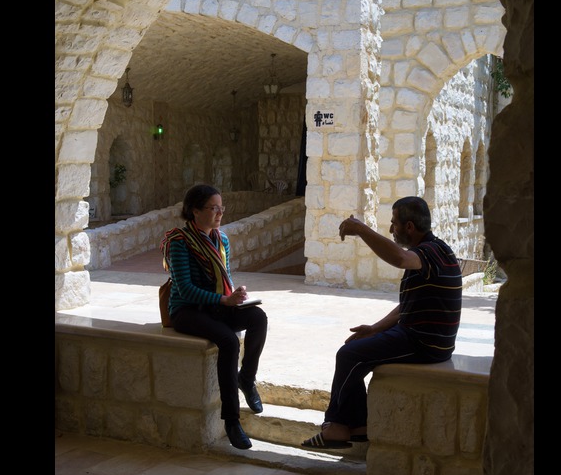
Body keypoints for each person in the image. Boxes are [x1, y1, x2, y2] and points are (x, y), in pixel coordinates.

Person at [301, 196, 462, 449]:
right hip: (424, 338)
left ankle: (335, 427)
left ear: (409, 227)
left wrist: (362, 229)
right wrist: (376, 328)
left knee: (348, 355)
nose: (390, 229)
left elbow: (399, 259)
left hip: (424, 343)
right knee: (356, 349)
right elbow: (409, 305)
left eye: (394, 223)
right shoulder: (438, 250)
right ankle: (359, 425)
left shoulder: (427, 253)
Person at [160, 184, 268, 450]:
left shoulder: (222, 240)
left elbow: (223, 279)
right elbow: (184, 288)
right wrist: (223, 300)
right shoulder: (179, 242)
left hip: (217, 306)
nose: (220, 213)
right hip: (187, 311)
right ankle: (231, 421)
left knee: (258, 317)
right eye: (214, 208)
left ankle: (247, 379)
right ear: (195, 211)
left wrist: (235, 294)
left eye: (222, 207)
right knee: (229, 341)